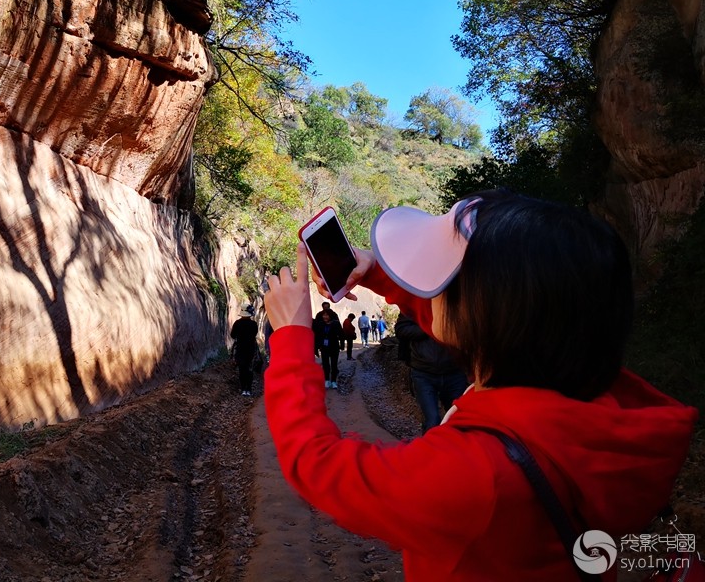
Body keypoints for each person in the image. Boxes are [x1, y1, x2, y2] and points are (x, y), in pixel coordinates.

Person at [264, 190, 697, 581]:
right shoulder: (594, 394)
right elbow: (478, 327)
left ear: (486, 315)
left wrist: (291, 339)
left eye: (444, 282)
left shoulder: (477, 476)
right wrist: (377, 274)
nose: (432, 291)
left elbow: (316, 464)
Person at [395, 312, 469, 432]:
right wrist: (430, 328)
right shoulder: (415, 302)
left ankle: (452, 449)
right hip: (423, 373)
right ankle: (431, 449)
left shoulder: (459, 300)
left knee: (458, 420)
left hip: (454, 372)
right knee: (432, 421)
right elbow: (401, 329)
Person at [230, 304, 258, 397]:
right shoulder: (254, 324)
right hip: (250, 349)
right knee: (249, 369)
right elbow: (255, 334)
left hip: (240, 349)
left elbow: (233, 335)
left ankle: (243, 389)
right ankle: (249, 389)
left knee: (242, 369)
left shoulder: (237, 323)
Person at [312, 302, 341, 389]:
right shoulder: (319, 318)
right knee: (325, 364)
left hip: (334, 346)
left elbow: (340, 333)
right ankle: (327, 380)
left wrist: (342, 344)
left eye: (327, 307)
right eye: (325, 307)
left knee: (334, 364)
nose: (325, 316)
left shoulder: (335, 319)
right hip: (324, 346)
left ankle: (333, 381)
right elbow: (316, 333)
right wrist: (316, 347)